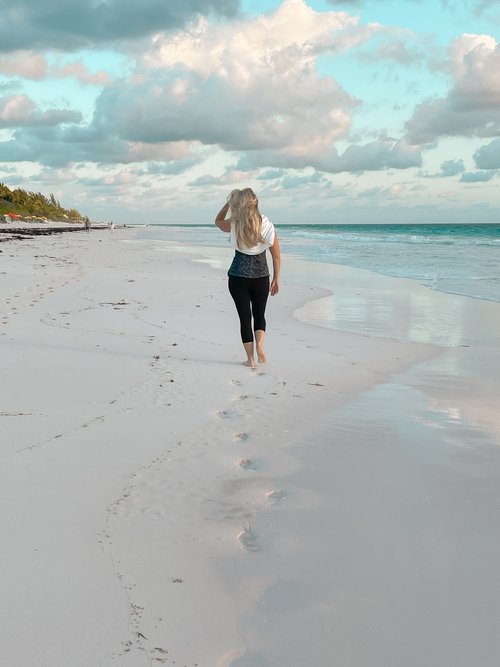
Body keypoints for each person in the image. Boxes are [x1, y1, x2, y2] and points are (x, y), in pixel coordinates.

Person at [215, 188, 281, 368]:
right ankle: (260, 345)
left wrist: (229, 202)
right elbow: (276, 255)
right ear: (256, 203)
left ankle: (250, 359)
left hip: (238, 277)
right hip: (261, 277)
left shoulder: (234, 223)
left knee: (245, 318)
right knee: (259, 314)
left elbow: (217, 221)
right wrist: (276, 278)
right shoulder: (267, 224)